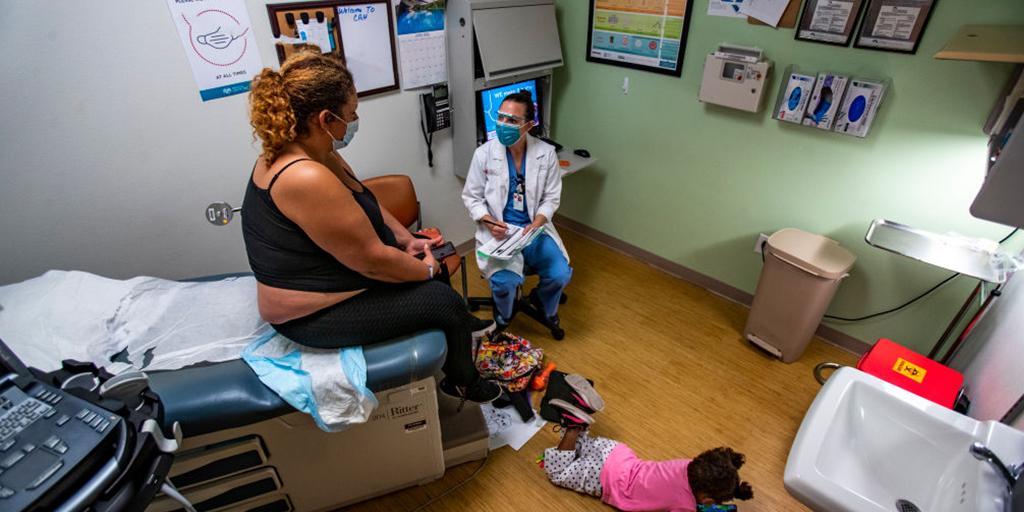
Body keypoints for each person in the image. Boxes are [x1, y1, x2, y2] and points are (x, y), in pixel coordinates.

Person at [242, 50, 499, 403]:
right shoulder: (302, 175)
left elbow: (362, 195)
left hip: (335, 275)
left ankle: (457, 332)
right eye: (351, 115)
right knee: (441, 298)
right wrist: (423, 270)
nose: (354, 120)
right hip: (310, 313)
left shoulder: (315, 151)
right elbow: (372, 261)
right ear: (325, 119)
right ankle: (463, 381)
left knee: (433, 255)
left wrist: (407, 240)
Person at [543, 377, 754, 511]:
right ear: (707, 499)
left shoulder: (689, 465)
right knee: (558, 472)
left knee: (578, 449)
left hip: (617, 453)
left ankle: (580, 411)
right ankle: (573, 425)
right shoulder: (685, 506)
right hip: (606, 478)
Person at [462, 90, 571, 332]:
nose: (503, 125)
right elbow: (471, 197)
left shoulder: (546, 154)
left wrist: (538, 221)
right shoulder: (484, 154)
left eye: (512, 121)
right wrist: (490, 223)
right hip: (499, 233)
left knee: (560, 273)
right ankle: (504, 314)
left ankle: (542, 303)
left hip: (533, 230)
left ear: (529, 125)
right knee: (505, 282)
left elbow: (552, 197)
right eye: (500, 117)